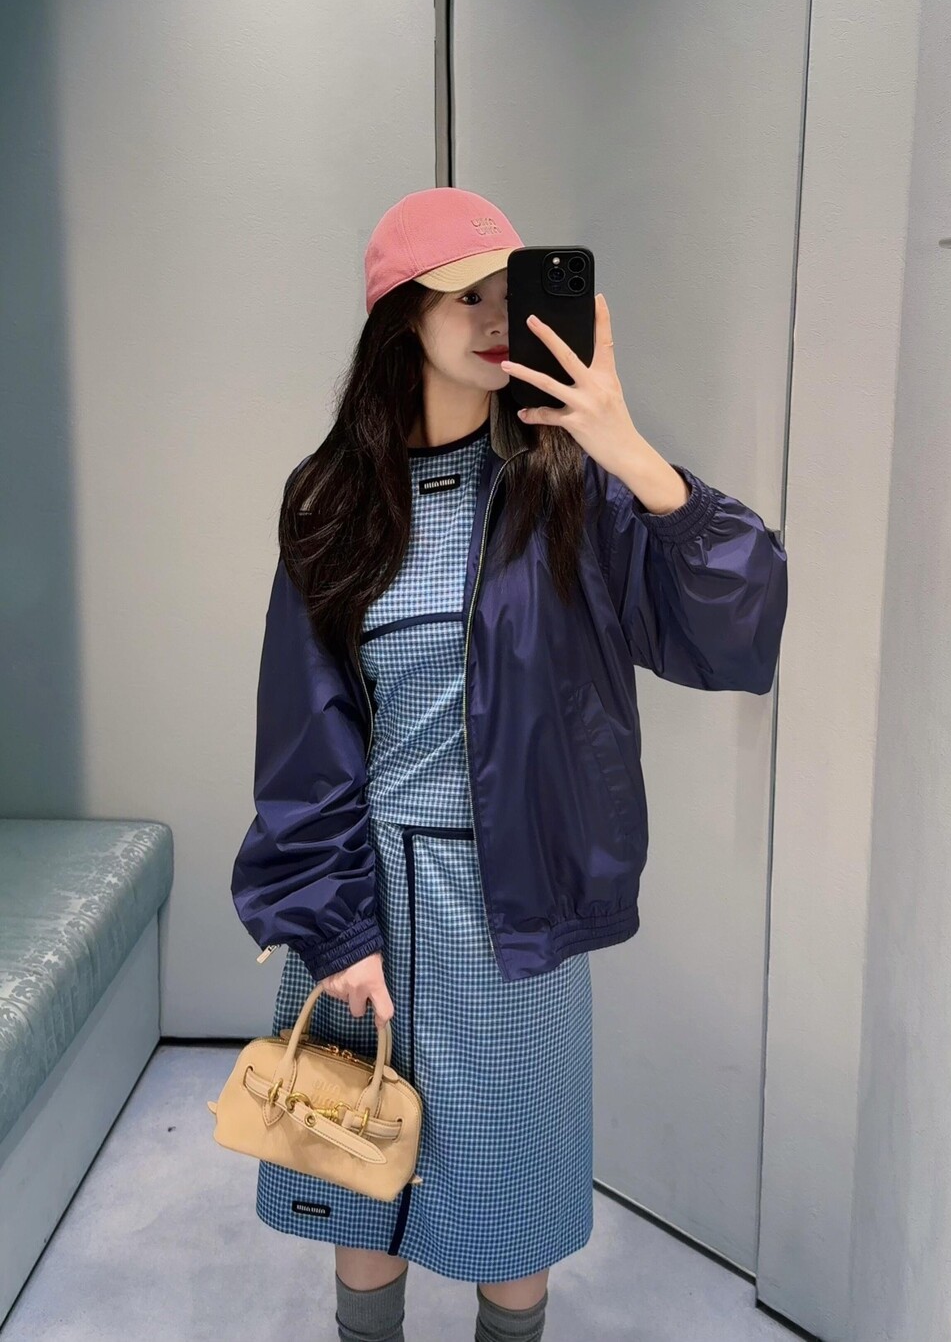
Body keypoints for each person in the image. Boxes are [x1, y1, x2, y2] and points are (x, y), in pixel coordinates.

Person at [230, 186, 789, 1342]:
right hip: (364, 899)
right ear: (402, 317)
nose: (498, 317)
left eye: (509, 291)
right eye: (466, 297)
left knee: (515, 1201)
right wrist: (334, 928)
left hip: (514, 906)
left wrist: (624, 445)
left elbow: (736, 626)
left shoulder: (569, 489)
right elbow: (303, 734)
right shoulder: (330, 503)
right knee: (356, 1170)